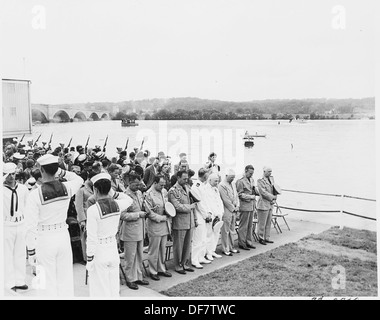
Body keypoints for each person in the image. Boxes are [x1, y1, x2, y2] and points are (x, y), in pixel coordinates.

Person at [25, 154, 84, 297]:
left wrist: (31, 250)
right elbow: (79, 179)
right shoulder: (67, 188)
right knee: (65, 279)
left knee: (46, 281)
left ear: (42, 170)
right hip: (63, 236)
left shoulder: (34, 195)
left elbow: (30, 226)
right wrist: (62, 172)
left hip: (44, 238)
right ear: (56, 170)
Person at [85, 173, 133, 297]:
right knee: (113, 287)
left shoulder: (92, 210)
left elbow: (91, 237)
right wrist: (115, 194)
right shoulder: (117, 204)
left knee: (100, 290)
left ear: (95, 189)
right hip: (112, 248)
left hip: (99, 250)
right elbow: (129, 200)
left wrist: (89, 258)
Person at [119, 173, 149, 290]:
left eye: (139, 183)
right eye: (135, 184)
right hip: (130, 231)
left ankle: (138, 276)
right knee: (130, 257)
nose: (138, 186)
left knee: (139, 255)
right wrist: (138, 214)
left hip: (140, 229)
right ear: (129, 183)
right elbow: (122, 215)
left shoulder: (139, 193)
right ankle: (129, 278)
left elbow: (141, 206)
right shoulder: (124, 196)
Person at [3, 162, 29, 293]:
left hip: (21, 223)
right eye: (8, 175)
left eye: (13, 174)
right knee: (7, 254)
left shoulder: (23, 189)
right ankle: (9, 281)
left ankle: (20, 280)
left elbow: (27, 206)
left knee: (20, 253)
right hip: (7, 224)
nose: (11, 177)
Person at [168, 170, 197, 275]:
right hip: (180, 222)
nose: (186, 180)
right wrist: (190, 207)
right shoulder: (173, 191)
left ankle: (185, 263)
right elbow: (177, 206)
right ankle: (178, 265)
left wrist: (195, 219)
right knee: (178, 245)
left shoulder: (187, 188)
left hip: (189, 221)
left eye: (187, 178)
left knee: (187, 244)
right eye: (184, 179)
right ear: (178, 178)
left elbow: (192, 202)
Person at [144, 175, 172, 281]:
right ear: (155, 183)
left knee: (162, 249)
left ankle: (161, 268)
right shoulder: (149, 194)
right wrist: (163, 218)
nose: (163, 187)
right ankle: (152, 271)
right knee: (154, 250)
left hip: (164, 225)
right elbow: (149, 212)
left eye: (164, 185)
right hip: (155, 225)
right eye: (161, 185)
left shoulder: (164, 191)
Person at [190, 168, 212, 268]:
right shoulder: (196, 186)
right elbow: (199, 203)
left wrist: (209, 213)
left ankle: (201, 257)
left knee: (203, 238)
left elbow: (207, 201)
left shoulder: (203, 186)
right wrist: (205, 215)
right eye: (208, 174)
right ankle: (194, 259)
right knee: (197, 239)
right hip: (199, 215)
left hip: (205, 215)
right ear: (204, 175)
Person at [74, 170, 96, 261]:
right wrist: (82, 220)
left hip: (94, 216)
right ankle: (86, 258)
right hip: (85, 217)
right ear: (89, 179)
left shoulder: (95, 188)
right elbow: (78, 206)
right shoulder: (81, 189)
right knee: (86, 238)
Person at [218, 169, 240, 256]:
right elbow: (225, 199)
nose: (232, 179)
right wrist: (233, 208)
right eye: (231, 177)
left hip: (234, 209)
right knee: (225, 230)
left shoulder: (233, 184)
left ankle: (231, 247)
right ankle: (225, 248)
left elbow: (236, 195)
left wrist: (237, 206)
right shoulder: (222, 185)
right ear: (226, 176)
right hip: (227, 210)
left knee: (232, 229)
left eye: (234, 177)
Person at [203, 173, 224, 260]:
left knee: (216, 233)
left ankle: (212, 250)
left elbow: (219, 201)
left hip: (219, 214)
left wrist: (221, 212)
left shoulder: (216, 189)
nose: (217, 182)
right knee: (209, 234)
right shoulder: (205, 189)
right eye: (215, 181)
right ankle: (208, 253)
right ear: (210, 180)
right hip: (212, 215)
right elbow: (208, 203)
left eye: (218, 181)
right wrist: (213, 214)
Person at [236, 165, 257, 250]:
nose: (251, 175)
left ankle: (248, 241)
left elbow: (253, 190)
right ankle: (242, 242)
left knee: (249, 225)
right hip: (245, 206)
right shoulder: (240, 181)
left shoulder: (252, 180)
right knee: (243, 226)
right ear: (245, 171)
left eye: (252, 173)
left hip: (251, 206)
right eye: (250, 173)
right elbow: (240, 194)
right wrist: (251, 197)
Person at [256, 167, 277, 245]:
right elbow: (263, 192)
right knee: (262, 223)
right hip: (263, 204)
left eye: (271, 171)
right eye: (268, 171)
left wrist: (275, 198)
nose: (270, 173)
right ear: (264, 171)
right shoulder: (260, 180)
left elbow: (275, 189)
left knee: (268, 222)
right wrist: (272, 197)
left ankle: (267, 237)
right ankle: (260, 238)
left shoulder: (271, 179)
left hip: (270, 204)